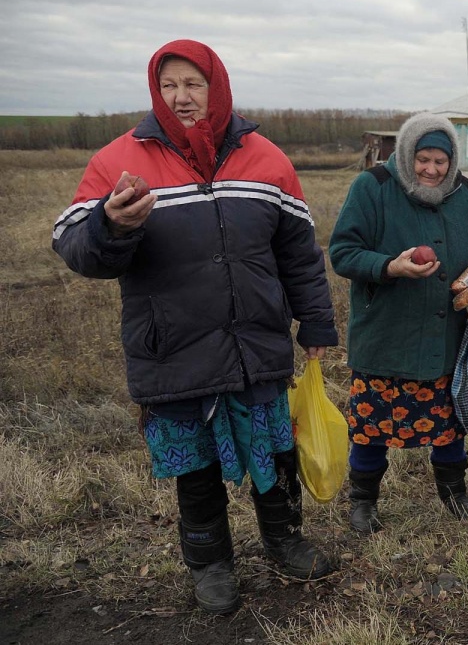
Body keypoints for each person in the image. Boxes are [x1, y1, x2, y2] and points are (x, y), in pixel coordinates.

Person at [51, 40, 338, 614]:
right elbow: (77, 250)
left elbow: (300, 255)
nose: (181, 98)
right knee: (196, 466)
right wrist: (111, 225)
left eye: (193, 84)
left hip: (256, 342)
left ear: (218, 86)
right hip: (173, 349)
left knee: (275, 451)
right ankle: (211, 565)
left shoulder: (267, 160)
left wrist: (316, 326)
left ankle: (285, 541)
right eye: (168, 86)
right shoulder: (119, 162)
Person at [329, 113, 468, 528]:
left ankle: (455, 495)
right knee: (370, 425)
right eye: (423, 159)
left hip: (445, 336)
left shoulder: (465, 193)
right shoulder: (374, 187)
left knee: (448, 426)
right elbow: (343, 252)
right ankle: (363, 501)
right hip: (386, 334)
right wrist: (390, 266)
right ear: (406, 154)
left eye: (441, 161)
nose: (432, 170)